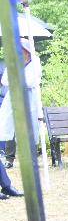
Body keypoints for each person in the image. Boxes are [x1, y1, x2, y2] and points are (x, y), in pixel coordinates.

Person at [0, 36, 40, 178]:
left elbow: (30, 81)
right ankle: (9, 158)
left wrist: (16, 78)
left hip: (29, 100)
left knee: (28, 128)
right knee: (11, 127)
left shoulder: (35, 62)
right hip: (13, 99)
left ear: (27, 51)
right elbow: (4, 81)